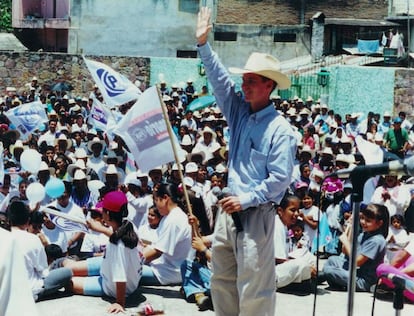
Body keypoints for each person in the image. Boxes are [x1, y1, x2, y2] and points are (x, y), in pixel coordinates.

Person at [196, 7, 297, 316]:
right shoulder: (240, 113)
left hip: (256, 215)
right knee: (222, 281)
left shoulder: (281, 130)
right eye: (246, 79)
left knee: (255, 288)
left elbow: (279, 179)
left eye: (252, 80)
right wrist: (203, 44)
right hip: (229, 212)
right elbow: (220, 82)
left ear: (269, 85)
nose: (245, 85)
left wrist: (246, 199)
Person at [62, 191, 143, 314]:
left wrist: (120, 302)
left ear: (108, 214)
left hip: (111, 287)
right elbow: (115, 234)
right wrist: (97, 227)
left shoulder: (118, 246)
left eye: (103, 210)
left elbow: (120, 276)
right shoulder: (128, 225)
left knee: (68, 283)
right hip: (107, 270)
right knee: (68, 266)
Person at [320, 203, 389, 291]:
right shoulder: (365, 234)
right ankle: (333, 280)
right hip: (356, 272)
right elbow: (345, 251)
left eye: (368, 220)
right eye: (362, 218)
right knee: (332, 260)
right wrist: (349, 227)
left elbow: (357, 262)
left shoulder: (377, 240)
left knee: (329, 270)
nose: (363, 222)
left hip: (364, 280)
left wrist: (345, 240)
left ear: (379, 223)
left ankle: (328, 278)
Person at [140, 183, 192, 286]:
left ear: (165, 198)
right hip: (161, 266)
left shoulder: (174, 219)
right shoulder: (168, 217)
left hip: (168, 272)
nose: (155, 204)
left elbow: (157, 252)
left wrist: (132, 261)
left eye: (156, 200)